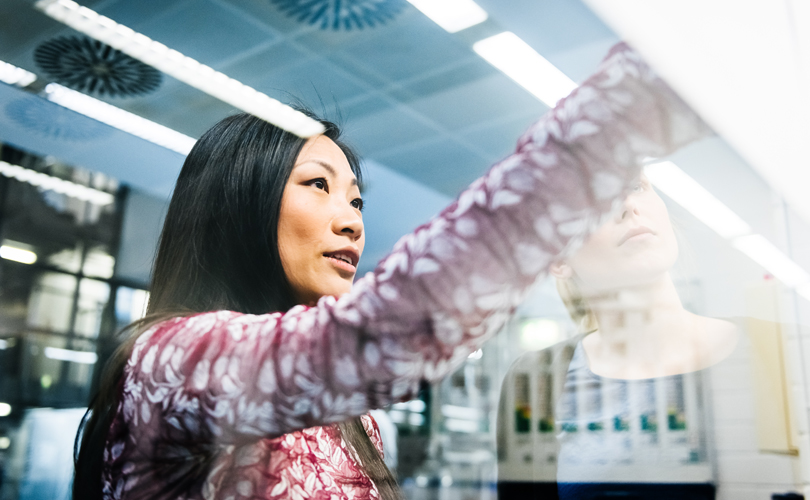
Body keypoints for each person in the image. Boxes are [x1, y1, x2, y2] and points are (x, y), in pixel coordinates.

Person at [73, 43, 708, 500]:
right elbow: (384, 337)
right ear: (239, 203)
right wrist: (604, 134)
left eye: (356, 200)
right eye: (317, 186)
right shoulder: (168, 363)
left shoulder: (353, 418)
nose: (350, 221)